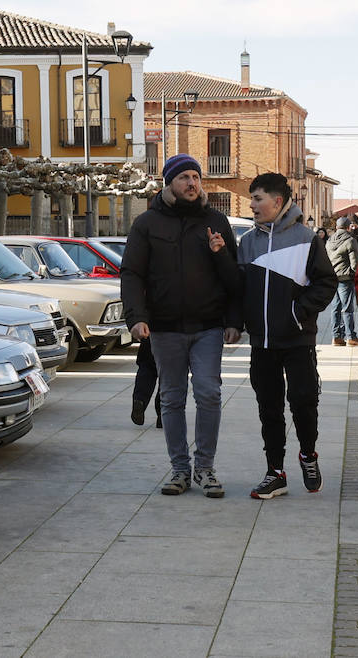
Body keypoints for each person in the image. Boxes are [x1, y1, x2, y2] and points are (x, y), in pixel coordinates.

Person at [121, 154, 242, 498]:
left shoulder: (216, 220)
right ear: (169, 183)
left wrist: (234, 320)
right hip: (164, 328)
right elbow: (132, 274)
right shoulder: (147, 223)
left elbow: (234, 278)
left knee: (209, 393)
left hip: (208, 327)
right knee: (172, 399)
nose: (192, 183)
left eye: (196, 177)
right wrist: (137, 317)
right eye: (184, 177)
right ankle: (179, 470)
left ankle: (205, 468)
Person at [237, 173, 338, 499]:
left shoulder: (307, 239)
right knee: (269, 408)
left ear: (277, 202)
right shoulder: (248, 241)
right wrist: (237, 322)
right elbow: (239, 288)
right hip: (262, 342)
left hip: (297, 340)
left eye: (257, 198)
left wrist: (298, 312)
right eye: (251, 198)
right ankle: (275, 472)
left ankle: (308, 455)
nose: (251, 205)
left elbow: (326, 283)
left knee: (304, 402)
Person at [327, 216, 358, 347]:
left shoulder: (329, 240)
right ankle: (351, 337)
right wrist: (354, 275)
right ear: (348, 227)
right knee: (347, 308)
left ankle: (336, 337)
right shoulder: (350, 240)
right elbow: (355, 264)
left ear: (337, 227)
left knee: (335, 308)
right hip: (346, 279)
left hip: (333, 278)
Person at [130, 338, 161, 428]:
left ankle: (140, 399)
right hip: (173, 335)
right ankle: (163, 413)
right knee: (169, 375)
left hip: (150, 333)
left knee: (147, 367)